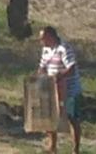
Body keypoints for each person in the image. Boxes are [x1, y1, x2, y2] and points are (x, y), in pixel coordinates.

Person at [37, 25, 82, 154]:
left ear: (50, 37)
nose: (41, 41)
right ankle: (53, 146)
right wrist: (39, 75)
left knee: (72, 118)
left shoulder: (64, 48)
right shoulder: (46, 50)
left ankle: (76, 149)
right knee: (51, 117)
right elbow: (42, 66)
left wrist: (60, 76)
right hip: (52, 89)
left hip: (70, 89)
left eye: (42, 38)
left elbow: (71, 68)